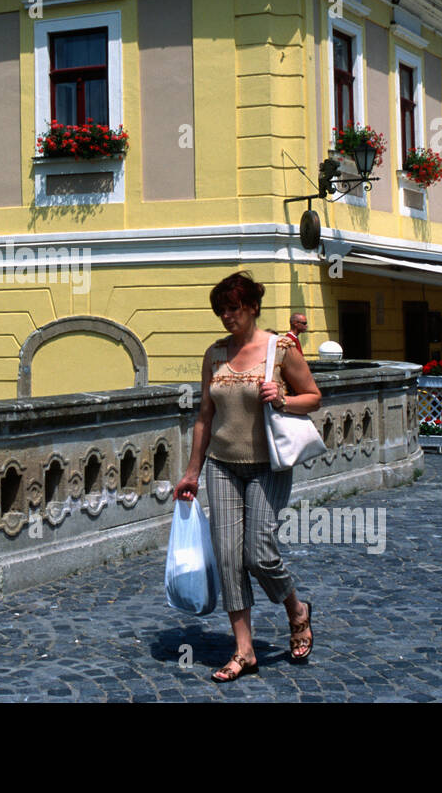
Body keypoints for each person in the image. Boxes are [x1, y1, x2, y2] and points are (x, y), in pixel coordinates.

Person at [174, 272, 322, 682]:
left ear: (253, 307)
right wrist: (191, 472)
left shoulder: (281, 349)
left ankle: (296, 609)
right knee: (227, 555)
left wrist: (286, 399)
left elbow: (314, 396)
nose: (226, 317)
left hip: (268, 465)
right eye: (221, 310)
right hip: (222, 465)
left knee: (258, 553)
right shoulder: (215, 354)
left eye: (233, 308)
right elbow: (205, 416)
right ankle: (244, 650)